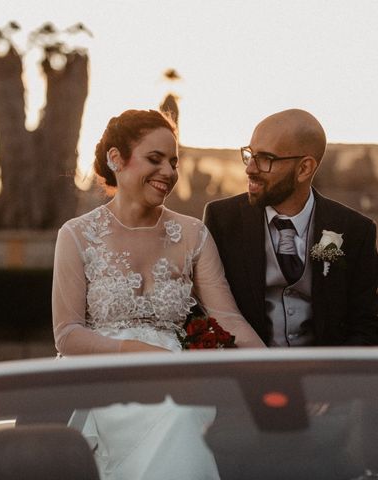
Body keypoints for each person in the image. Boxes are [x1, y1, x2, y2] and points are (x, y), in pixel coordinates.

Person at [51, 109, 264, 480]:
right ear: (116, 158)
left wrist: (278, 370)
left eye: (173, 161)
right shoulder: (76, 234)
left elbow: (228, 320)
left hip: (178, 376)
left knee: (180, 410)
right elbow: (67, 334)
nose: (168, 171)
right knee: (174, 412)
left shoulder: (193, 234)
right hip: (101, 377)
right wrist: (139, 353)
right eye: (155, 159)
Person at [204, 109, 378, 347]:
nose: (250, 168)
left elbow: (367, 326)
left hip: (323, 379)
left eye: (265, 159)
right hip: (247, 375)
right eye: (250, 154)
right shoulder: (222, 220)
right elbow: (205, 311)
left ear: (304, 169)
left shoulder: (354, 230)